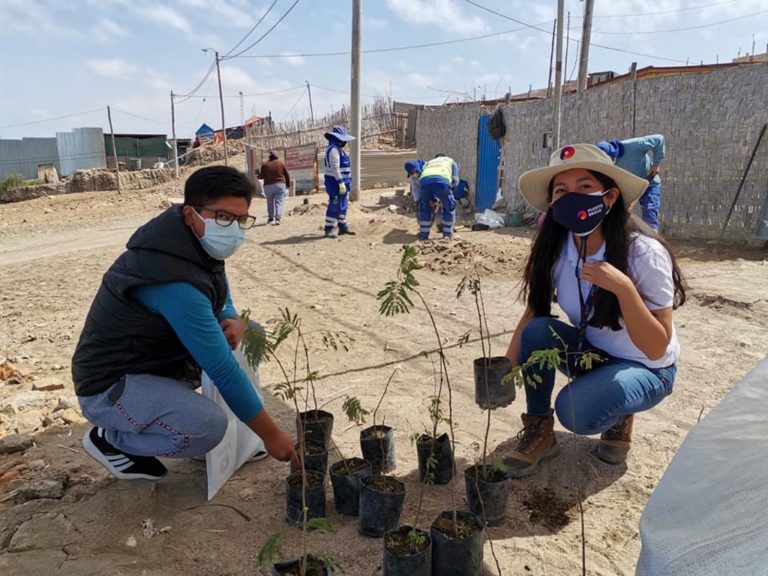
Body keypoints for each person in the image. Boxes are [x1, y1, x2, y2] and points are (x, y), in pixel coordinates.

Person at [72, 165, 298, 481]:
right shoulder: (171, 277)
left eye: (241, 219)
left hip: (155, 365)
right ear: (191, 213)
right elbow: (221, 370)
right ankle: (111, 441)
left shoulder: (191, 243)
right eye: (223, 217)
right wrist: (273, 436)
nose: (233, 228)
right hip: (110, 387)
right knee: (207, 426)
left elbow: (221, 296)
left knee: (251, 331)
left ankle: (203, 434)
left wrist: (233, 319)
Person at [503, 143, 686, 478]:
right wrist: (504, 368)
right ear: (553, 203)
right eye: (561, 190)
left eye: (585, 187)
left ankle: (620, 414)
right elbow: (534, 314)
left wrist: (624, 289)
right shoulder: (556, 250)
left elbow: (657, 346)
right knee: (538, 331)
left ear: (610, 197)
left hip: (646, 367)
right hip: (594, 354)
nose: (572, 196)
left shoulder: (643, 253)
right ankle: (539, 431)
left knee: (574, 411)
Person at [596, 134, 665, 230]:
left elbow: (659, 139)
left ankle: (653, 239)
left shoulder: (632, 146)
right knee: (620, 216)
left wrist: (656, 164)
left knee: (650, 212)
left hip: (649, 182)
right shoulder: (605, 167)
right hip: (630, 188)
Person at [322, 125, 356, 238]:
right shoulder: (333, 150)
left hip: (343, 183)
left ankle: (342, 227)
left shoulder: (339, 149)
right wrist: (340, 182)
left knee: (343, 205)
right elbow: (335, 168)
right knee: (334, 205)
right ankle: (329, 229)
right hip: (335, 183)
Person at [417, 153, 459, 240]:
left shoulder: (428, 163)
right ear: (445, 157)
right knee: (449, 207)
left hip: (424, 182)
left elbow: (426, 178)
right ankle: (447, 234)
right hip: (442, 181)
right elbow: (455, 181)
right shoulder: (450, 161)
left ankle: (423, 234)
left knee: (425, 207)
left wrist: (433, 199)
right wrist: (449, 192)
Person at [259, 149, 291, 225]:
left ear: (269, 156)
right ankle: (277, 219)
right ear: (277, 156)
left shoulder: (265, 164)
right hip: (280, 185)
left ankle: (270, 219)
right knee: (279, 202)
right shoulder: (281, 163)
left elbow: (261, 176)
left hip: (268, 186)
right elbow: (287, 175)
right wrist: (288, 185)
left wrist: (257, 174)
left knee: (270, 202)